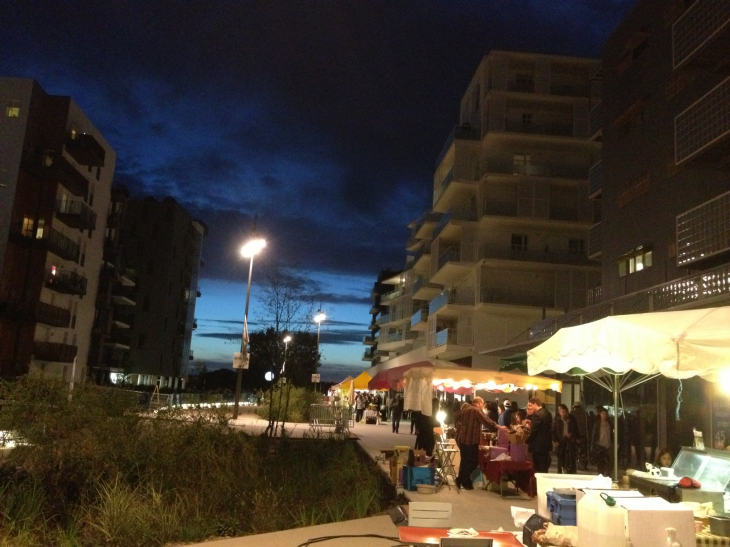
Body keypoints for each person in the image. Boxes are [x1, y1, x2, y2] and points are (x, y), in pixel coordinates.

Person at [454, 397, 508, 490]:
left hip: (462, 440)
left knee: (464, 462)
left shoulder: (464, 410)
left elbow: (456, 418)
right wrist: (500, 427)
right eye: (482, 404)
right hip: (471, 440)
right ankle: (460, 479)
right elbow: (487, 421)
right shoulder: (477, 411)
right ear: (479, 403)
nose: (483, 406)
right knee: (474, 462)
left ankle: (464, 482)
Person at [526, 397, 553, 473]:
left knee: (538, 469)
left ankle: (538, 484)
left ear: (535, 404)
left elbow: (534, 432)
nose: (530, 407)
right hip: (546, 445)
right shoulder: (548, 413)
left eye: (531, 405)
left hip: (538, 447)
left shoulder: (537, 415)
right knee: (544, 468)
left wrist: (526, 441)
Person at [553, 404, 578, 474]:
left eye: (564, 412)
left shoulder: (572, 419)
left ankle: (571, 472)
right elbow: (553, 431)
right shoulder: (557, 420)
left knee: (571, 456)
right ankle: (560, 472)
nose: (563, 414)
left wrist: (573, 435)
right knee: (560, 457)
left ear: (567, 412)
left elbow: (576, 429)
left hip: (570, 441)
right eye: (561, 412)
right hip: (560, 441)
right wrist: (555, 441)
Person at [591, 409, 613, 477]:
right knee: (601, 462)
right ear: (600, 414)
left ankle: (607, 475)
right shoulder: (597, 424)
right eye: (603, 414)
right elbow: (594, 435)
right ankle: (601, 475)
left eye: (605, 414)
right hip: (600, 445)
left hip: (608, 444)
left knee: (610, 462)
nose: (604, 415)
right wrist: (592, 444)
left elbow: (612, 434)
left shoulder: (610, 424)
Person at [570, 401, 589, 470]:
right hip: (584, 434)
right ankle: (584, 465)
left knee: (575, 450)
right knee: (583, 450)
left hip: (575, 435)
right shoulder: (584, 413)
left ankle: (576, 464)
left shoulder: (572, 413)